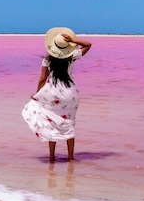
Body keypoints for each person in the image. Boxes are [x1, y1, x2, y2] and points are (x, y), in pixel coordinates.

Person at [21, 27, 92, 162]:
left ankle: (52, 157)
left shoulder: (47, 59)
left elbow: (42, 79)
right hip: (69, 94)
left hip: (51, 94)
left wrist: (37, 95)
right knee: (69, 124)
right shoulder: (71, 57)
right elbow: (88, 45)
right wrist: (73, 40)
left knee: (51, 123)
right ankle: (71, 158)